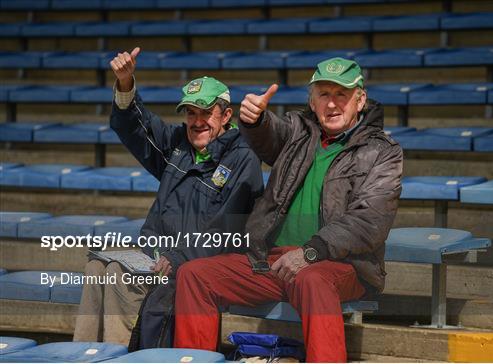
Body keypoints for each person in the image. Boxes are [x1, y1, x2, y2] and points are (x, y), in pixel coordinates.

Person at [173, 57, 403, 362]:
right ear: (312, 100)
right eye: (323, 94)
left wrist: (311, 252)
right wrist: (255, 119)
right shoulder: (299, 130)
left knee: (312, 280)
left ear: (359, 100)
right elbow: (272, 133)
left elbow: (370, 221)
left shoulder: (382, 151)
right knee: (194, 275)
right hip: (272, 261)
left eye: (341, 95)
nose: (332, 104)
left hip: (340, 265)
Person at [73, 47, 264, 346]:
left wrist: (177, 257)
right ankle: (84, 354)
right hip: (154, 254)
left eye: (206, 112)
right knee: (98, 268)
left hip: (193, 264)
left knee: (121, 279)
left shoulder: (242, 158)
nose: (197, 121)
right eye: (191, 112)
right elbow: (136, 127)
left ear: (227, 115)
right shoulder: (178, 144)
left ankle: (119, 355)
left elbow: (227, 233)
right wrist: (125, 83)